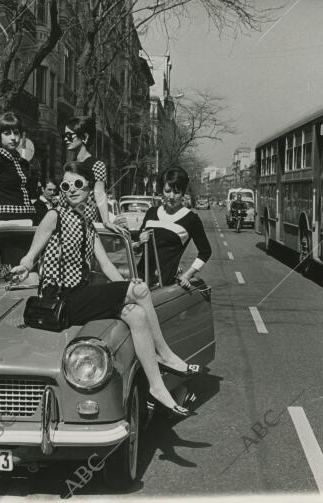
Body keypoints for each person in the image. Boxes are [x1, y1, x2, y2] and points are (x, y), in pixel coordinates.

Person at [10, 161, 198, 418]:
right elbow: (32, 254)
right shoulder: (55, 215)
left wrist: (130, 283)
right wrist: (23, 265)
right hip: (60, 299)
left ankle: (156, 386)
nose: (71, 190)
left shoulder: (87, 224)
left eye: (78, 184)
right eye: (66, 185)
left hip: (79, 299)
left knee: (136, 314)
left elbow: (108, 266)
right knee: (138, 293)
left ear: (89, 188)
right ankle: (164, 354)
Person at [136, 167, 212, 289]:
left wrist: (187, 275)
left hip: (164, 286)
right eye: (167, 191)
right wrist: (139, 241)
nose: (171, 196)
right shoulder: (151, 213)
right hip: (139, 280)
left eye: (176, 192)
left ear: (183, 193)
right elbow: (136, 249)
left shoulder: (191, 219)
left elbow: (205, 252)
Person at [62, 116, 125, 233]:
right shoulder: (69, 166)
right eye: (64, 136)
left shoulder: (97, 165)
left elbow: (100, 194)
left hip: (86, 223)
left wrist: (106, 221)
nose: (66, 139)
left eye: (69, 136)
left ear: (84, 137)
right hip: (66, 221)